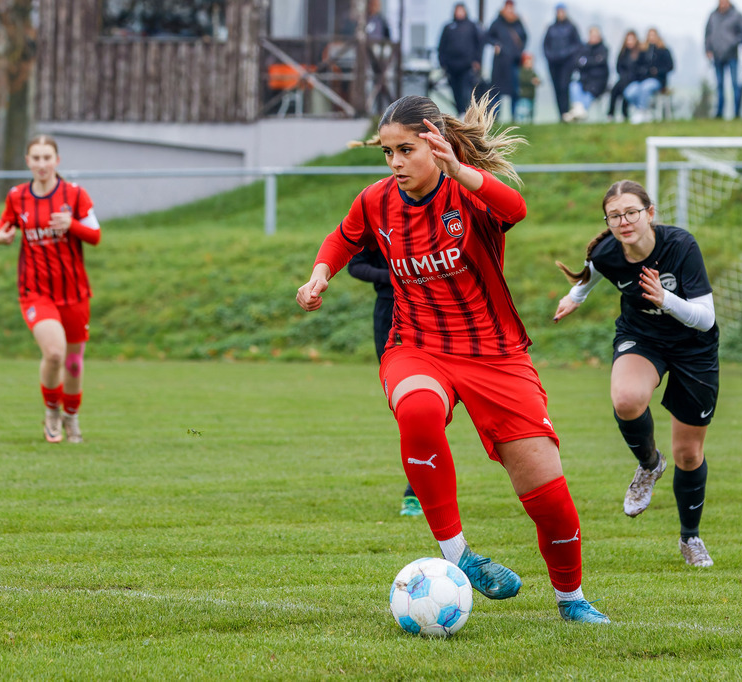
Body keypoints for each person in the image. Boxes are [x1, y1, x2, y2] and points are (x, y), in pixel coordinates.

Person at [296, 94, 610, 623]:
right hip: (416, 345)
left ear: (434, 145)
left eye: (405, 150)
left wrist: (458, 169)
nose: (394, 163)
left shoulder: (468, 195)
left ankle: (571, 598)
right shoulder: (375, 201)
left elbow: (516, 208)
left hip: (495, 354)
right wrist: (319, 274)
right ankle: (457, 554)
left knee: (548, 495)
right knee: (417, 411)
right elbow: (341, 239)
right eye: (387, 153)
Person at [553, 180, 719, 569]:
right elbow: (590, 275)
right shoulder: (608, 252)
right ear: (608, 222)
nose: (624, 221)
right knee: (626, 400)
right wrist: (573, 298)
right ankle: (648, 465)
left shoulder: (681, 246)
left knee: (689, 453)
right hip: (642, 337)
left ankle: (690, 538)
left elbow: (705, 318)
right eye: (615, 216)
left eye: (631, 212)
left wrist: (666, 299)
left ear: (650, 213)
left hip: (694, 347)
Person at [0, 135, 101, 444]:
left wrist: (72, 224)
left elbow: (95, 235)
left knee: (73, 363)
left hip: (74, 291)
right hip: (35, 291)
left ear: (57, 160)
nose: (41, 164)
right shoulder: (17, 196)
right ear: (28, 161)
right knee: (54, 353)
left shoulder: (75, 195)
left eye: (47, 157)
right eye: (36, 158)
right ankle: (52, 412)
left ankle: (72, 417)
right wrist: (0, 237)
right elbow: (1, 228)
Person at [347, 246, 424, 517]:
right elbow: (355, 266)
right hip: (389, 313)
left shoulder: (432, 213)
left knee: (432, 408)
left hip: (434, 311)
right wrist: (393, 275)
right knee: (410, 408)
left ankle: (420, 490)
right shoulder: (374, 217)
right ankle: (415, 492)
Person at [438, 2, 483, 116]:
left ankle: (466, 114)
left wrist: (477, 61)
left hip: (466, 66)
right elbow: (441, 46)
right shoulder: (448, 27)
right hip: (451, 66)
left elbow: (479, 44)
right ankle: (460, 113)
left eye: (461, 10)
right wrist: (442, 63)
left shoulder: (472, 26)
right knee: (455, 92)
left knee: (466, 92)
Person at [486, 0, 527, 120]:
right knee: (496, 91)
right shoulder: (497, 22)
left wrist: (519, 52)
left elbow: (524, 38)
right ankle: (495, 117)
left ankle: (514, 117)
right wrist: (496, 44)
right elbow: (488, 36)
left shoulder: (518, 23)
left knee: (515, 91)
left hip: (514, 62)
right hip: (500, 63)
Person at [624, 28, 675, 124]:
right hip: (642, 79)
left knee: (645, 88)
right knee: (630, 91)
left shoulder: (664, 51)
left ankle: (642, 111)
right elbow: (637, 66)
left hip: (657, 80)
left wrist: (657, 71)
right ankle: (643, 110)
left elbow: (670, 66)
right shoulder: (643, 51)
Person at [706, 0, 742, 120]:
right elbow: (707, 34)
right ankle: (719, 112)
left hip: (732, 55)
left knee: (735, 84)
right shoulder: (713, 15)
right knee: (719, 85)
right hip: (717, 56)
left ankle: (737, 113)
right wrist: (708, 49)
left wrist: (732, 44)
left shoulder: (737, 15)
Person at [543, 3, 582, 122]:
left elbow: (577, 45)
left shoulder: (571, 28)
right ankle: (561, 114)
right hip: (554, 64)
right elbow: (545, 45)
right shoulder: (551, 28)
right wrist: (551, 56)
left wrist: (564, 54)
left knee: (564, 87)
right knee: (556, 89)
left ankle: (566, 113)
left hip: (566, 64)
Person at [565, 25, 609, 122]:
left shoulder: (603, 49)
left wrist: (586, 62)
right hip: (584, 80)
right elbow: (577, 62)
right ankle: (580, 112)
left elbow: (599, 62)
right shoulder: (583, 48)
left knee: (589, 92)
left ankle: (576, 113)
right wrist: (593, 61)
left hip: (598, 82)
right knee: (574, 86)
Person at [608, 30, 642, 121]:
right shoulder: (623, 52)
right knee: (614, 90)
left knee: (626, 91)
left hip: (635, 79)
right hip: (623, 78)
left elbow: (641, 68)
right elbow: (618, 66)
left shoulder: (640, 53)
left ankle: (625, 113)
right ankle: (611, 114)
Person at [515, 52, 541, 123]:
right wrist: (531, 81)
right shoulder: (521, 71)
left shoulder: (532, 72)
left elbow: (538, 79)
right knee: (523, 110)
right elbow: (522, 79)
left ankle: (530, 122)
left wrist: (538, 81)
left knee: (531, 110)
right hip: (524, 95)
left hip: (531, 95)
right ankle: (521, 122)